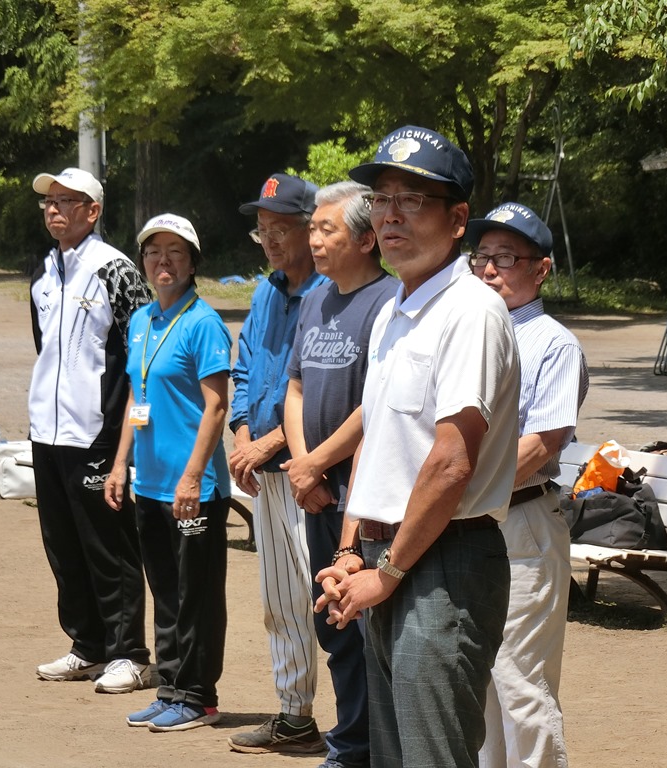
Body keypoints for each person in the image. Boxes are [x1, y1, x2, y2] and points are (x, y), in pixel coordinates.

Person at [314, 126, 521, 767]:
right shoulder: (394, 310)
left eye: (414, 199)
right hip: (388, 554)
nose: (391, 213)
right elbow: (379, 440)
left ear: (458, 220)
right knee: (394, 758)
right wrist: (353, 550)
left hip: (442, 566)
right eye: (382, 198)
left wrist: (390, 571)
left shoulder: (472, 311)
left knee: (432, 758)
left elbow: (451, 460)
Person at [466, 203, 589, 768]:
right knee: (480, 683)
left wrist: (458, 494)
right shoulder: (468, 332)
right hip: (469, 525)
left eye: (506, 259)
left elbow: (542, 444)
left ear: (540, 269)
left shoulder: (552, 343)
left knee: (521, 684)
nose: (489, 270)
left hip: (521, 524)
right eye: (482, 257)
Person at [282, 181, 399, 768]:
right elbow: (296, 384)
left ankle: (366, 750)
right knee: (330, 621)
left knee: (364, 627)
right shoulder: (314, 299)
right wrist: (305, 470)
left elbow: (374, 404)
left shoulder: (388, 301)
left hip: (363, 490)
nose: (315, 240)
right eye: (313, 229)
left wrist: (317, 462)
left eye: (326, 230)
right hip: (317, 492)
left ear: (365, 237)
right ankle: (350, 742)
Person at [103, 214, 233, 731]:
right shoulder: (141, 322)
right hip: (150, 483)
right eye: (153, 251)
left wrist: (191, 476)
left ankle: (199, 696)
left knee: (195, 595)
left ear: (193, 262)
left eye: (176, 252)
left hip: (193, 488)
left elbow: (216, 407)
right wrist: (119, 464)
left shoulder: (203, 324)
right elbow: (139, 398)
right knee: (165, 591)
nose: (163, 261)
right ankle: (172, 686)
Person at [28, 167, 152, 693]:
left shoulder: (115, 270)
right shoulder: (41, 272)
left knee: (110, 547)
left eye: (66, 201)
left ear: (93, 211)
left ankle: (131, 653)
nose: (54, 210)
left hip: (99, 434)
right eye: (48, 202)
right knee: (63, 545)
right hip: (48, 432)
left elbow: (144, 355)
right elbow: (46, 351)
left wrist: (129, 437)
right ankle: (87, 645)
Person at [227, 173, 329, 755]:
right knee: (281, 599)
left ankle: (365, 725)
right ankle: (294, 715)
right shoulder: (266, 291)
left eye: (280, 228)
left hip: (312, 472)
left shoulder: (331, 294)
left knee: (331, 598)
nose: (269, 239)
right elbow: (245, 371)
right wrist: (244, 438)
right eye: (261, 229)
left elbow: (322, 391)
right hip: (263, 470)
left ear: (309, 229)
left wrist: (270, 448)